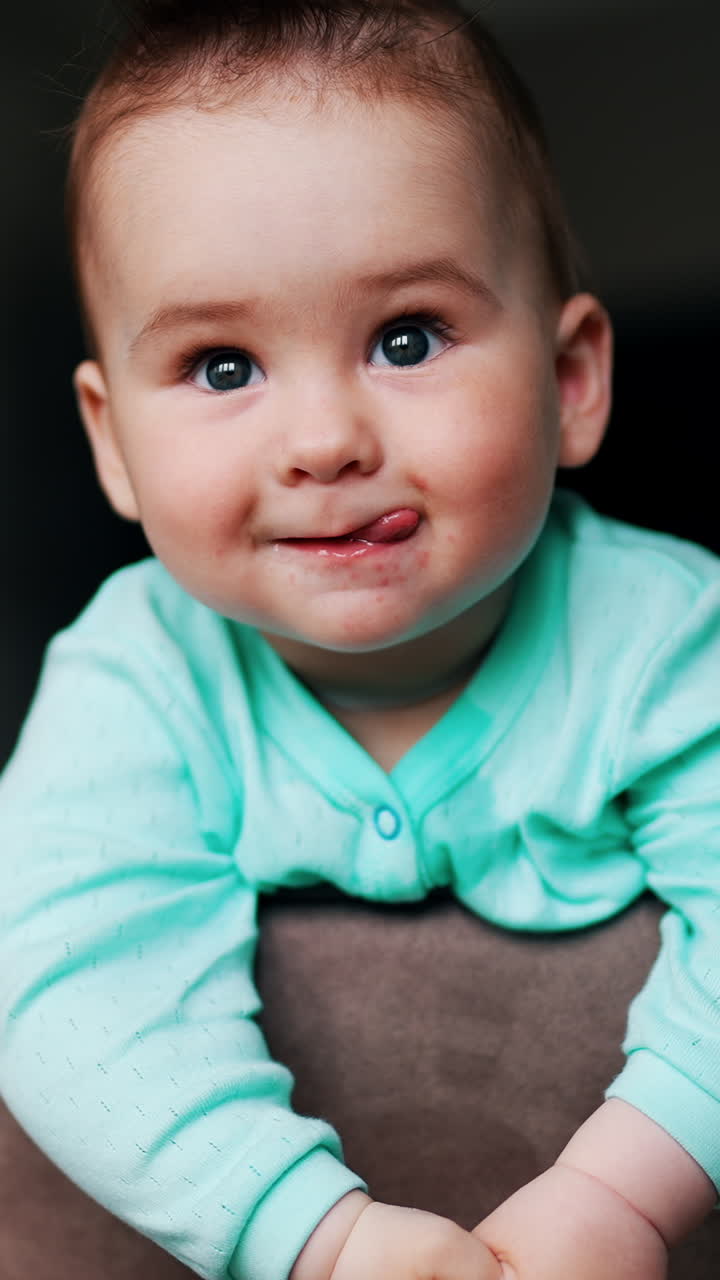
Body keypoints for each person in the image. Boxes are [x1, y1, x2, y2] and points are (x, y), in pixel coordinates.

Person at [1, 1, 718, 1277]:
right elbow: (63, 976)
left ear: (571, 383)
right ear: (113, 444)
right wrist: (315, 1237)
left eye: (406, 338)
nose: (324, 439)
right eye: (224, 366)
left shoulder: (667, 638)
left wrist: (623, 1189)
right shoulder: (138, 672)